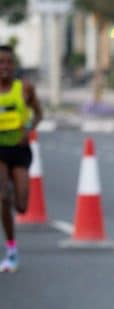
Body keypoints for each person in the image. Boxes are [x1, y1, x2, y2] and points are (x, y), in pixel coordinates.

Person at [0, 45, 43, 273]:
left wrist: (28, 129)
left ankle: (9, 189)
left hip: (19, 150)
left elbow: (39, 114)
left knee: (22, 206)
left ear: (14, 66)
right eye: (0, 63)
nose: (4, 67)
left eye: (8, 62)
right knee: (3, 199)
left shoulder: (25, 89)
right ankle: (11, 248)